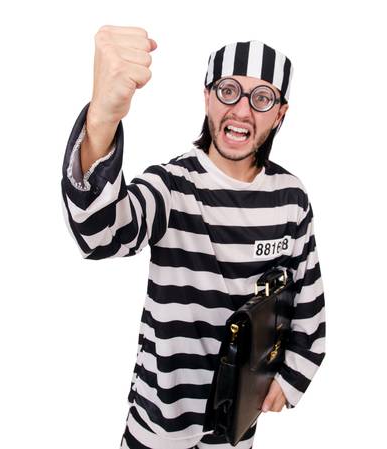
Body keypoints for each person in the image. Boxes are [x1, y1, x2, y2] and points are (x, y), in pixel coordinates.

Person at [59, 27, 327, 448]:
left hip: (237, 423)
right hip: (160, 416)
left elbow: (307, 300)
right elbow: (99, 233)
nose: (241, 110)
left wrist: (292, 377)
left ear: (280, 113)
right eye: (228, 91)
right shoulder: (172, 185)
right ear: (206, 97)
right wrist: (103, 118)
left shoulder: (291, 198)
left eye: (261, 99)